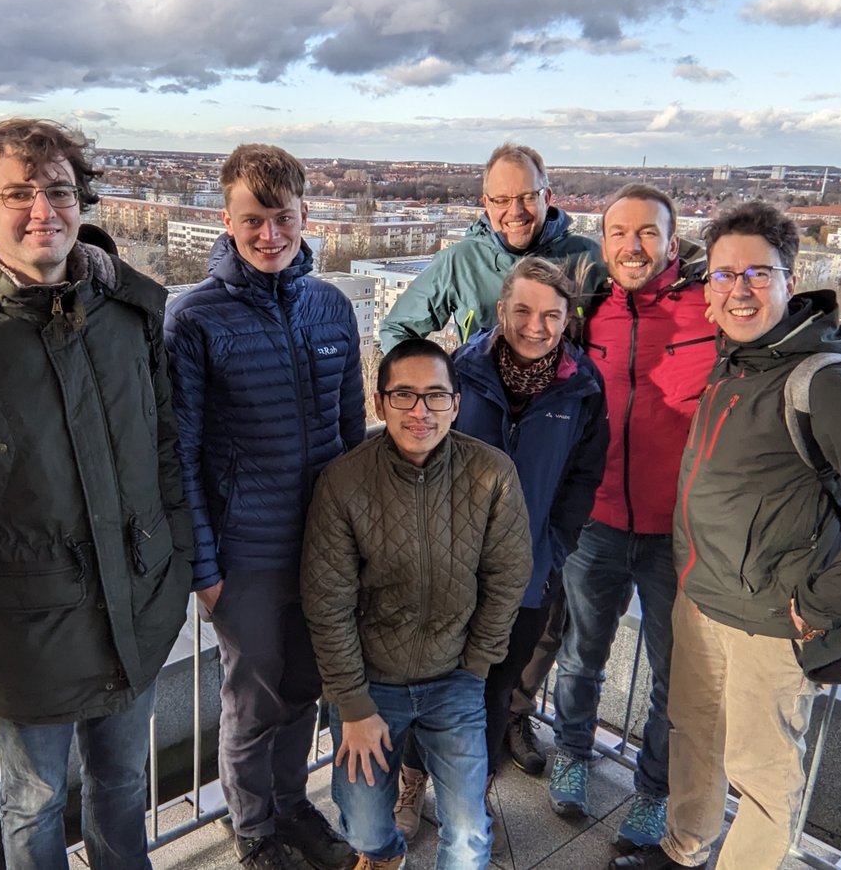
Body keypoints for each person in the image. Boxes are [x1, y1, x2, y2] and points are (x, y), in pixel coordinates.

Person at [0, 118, 193, 870]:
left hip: (137, 609)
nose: (41, 210)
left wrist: (177, 561)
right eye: (17, 193)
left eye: (58, 190)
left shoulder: (127, 314)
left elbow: (163, 449)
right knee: (34, 805)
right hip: (22, 630)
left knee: (123, 784)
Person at [611, 203, 841, 870]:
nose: (738, 290)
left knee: (763, 783)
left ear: (792, 278)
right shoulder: (740, 360)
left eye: (757, 274)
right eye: (724, 274)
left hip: (772, 622)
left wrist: (821, 604)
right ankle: (683, 850)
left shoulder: (823, 378)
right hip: (703, 600)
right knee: (694, 742)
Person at [164, 143, 364, 870]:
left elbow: (350, 438)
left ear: (306, 215)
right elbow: (180, 454)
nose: (270, 235)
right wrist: (205, 567)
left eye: (283, 218)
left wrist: (356, 545)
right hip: (244, 552)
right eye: (254, 220)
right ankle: (252, 829)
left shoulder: (332, 307)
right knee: (252, 701)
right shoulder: (194, 321)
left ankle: (292, 805)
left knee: (306, 686)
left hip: (323, 548)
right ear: (226, 219)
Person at [390, 257, 609, 837]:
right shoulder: (459, 371)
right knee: (429, 683)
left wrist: (554, 549)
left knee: (494, 691)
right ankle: (411, 784)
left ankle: (471, 796)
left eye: (551, 316)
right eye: (523, 311)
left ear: (568, 320)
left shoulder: (583, 387)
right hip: (446, 571)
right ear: (501, 309)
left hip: (527, 576)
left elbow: (582, 480)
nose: (535, 326)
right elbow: (419, 458)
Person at [301, 337, 532, 869]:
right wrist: (354, 705)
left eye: (435, 395)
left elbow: (507, 576)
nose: (420, 411)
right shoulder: (344, 481)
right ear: (378, 404)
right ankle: (384, 855)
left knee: (471, 831)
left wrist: (475, 665)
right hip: (371, 682)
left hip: (455, 675)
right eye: (403, 396)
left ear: (457, 403)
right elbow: (327, 601)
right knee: (362, 822)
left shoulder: (492, 473)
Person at [548, 184, 715, 853]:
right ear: (603, 240)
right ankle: (571, 754)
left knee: (676, 681)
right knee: (582, 654)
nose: (632, 246)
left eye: (648, 233)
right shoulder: (587, 311)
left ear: (673, 242)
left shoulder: (711, 308)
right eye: (619, 233)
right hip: (599, 522)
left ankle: (652, 795)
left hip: (680, 534)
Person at [378, 142, 602, 353]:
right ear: (486, 204)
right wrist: (435, 384)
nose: (516, 211)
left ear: (547, 198)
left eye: (527, 197)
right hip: (481, 393)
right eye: (502, 200)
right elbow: (397, 331)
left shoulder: (587, 258)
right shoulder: (460, 263)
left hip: (568, 392)